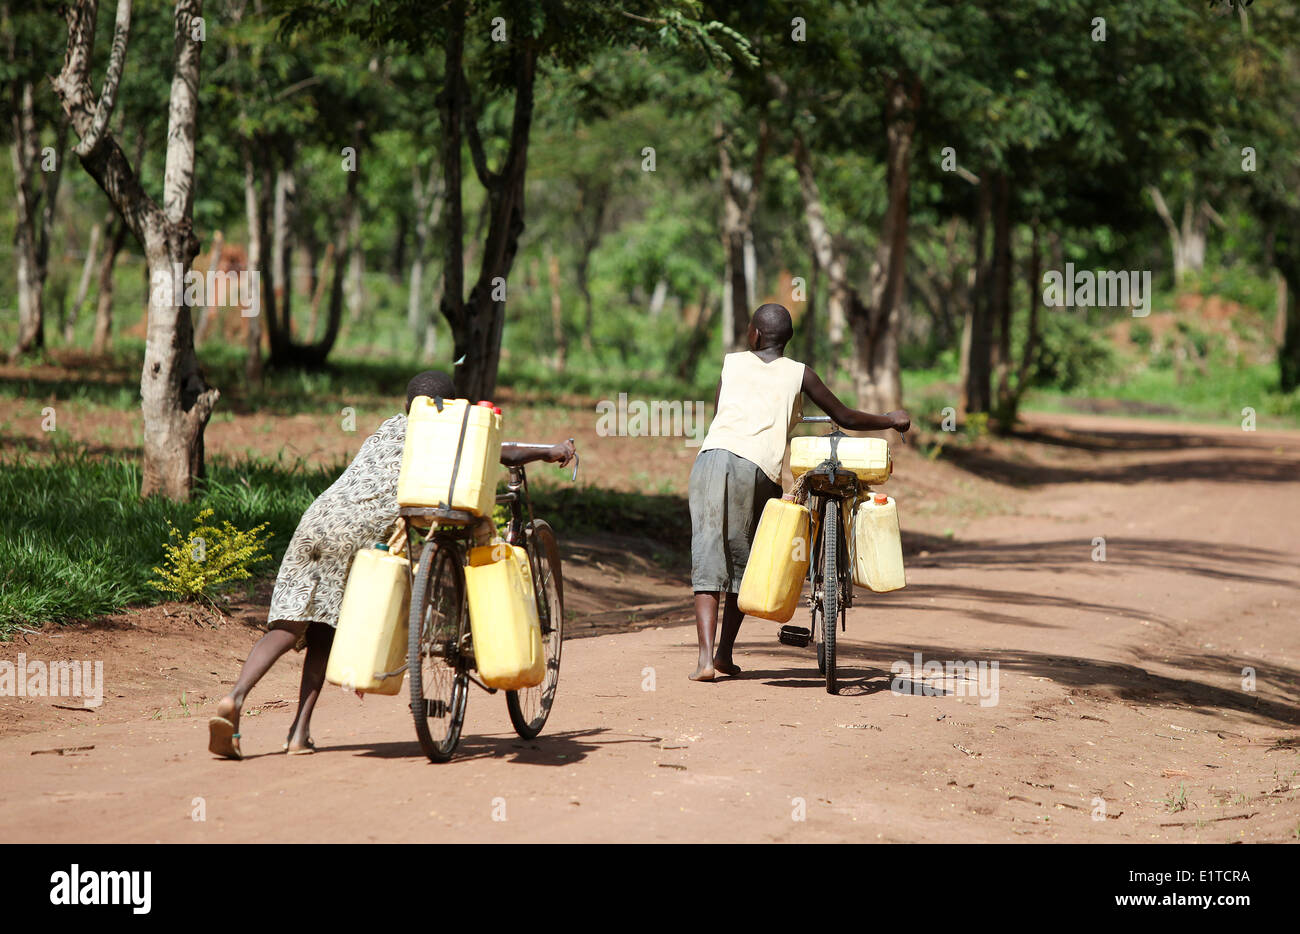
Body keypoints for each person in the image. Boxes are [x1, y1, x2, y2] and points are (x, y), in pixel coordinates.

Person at [207, 370, 576, 759]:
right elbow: (504, 451)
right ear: (449, 407)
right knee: (323, 634)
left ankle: (243, 701)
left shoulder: (390, 427)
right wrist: (549, 451)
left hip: (316, 519)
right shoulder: (444, 431)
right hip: (357, 536)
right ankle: (296, 730)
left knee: (292, 626)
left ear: (407, 405)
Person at [688, 303, 910, 681]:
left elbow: (721, 412)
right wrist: (890, 420)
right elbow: (844, 416)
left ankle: (707, 661)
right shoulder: (799, 373)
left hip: (713, 460)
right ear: (785, 340)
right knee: (747, 558)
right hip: (760, 469)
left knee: (709, 553)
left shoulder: (732, 364)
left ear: (754, 334)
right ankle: (725, 654)